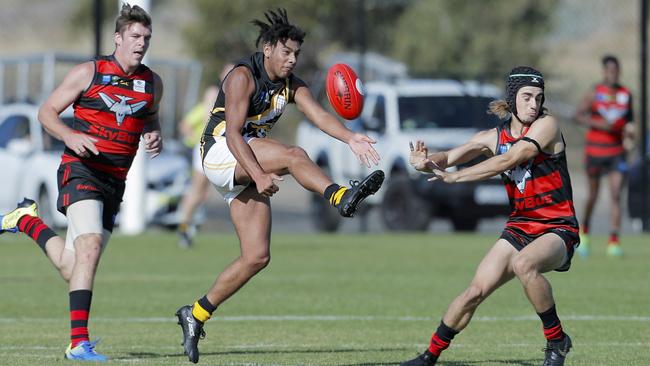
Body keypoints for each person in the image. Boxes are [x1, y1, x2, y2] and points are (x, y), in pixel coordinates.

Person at [174, 8, 384, 363]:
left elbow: (318, 116)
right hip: (222, 152)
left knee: (257, 257)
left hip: (247, 162)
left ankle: (195, 314)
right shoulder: (243, 76)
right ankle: (340, 195)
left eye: (297, 54)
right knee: (292, 153)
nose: (292, 59)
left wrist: (351, 138)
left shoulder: (291, 84)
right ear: (268, 48)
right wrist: (257, 174)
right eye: (286, 52)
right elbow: (236, 135)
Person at [0, 4, 163, 361]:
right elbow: (46, 113)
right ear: (118, 38)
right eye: (135, 36)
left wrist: (154, 135)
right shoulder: (88, 72)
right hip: (81, 170)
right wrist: (69, 137)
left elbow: (150, 119)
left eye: (146, 38)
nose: (141, 43)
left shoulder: (152, 82)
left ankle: (25, 221)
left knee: (74, 266)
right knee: (88, 247)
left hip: (114, 182)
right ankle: (78, 343)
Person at [401, 66, 578, 366]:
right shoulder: (492, 136)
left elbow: (510, 159)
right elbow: (452, 156)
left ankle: (557, 340)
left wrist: (457, 178)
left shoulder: (548, 126)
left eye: (538, 97)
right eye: (526, 97)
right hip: (520, 227)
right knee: (474, 291)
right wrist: (424, 162)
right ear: (512, 99)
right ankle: (428, 357)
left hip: (558, 228)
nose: (534, 104)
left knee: (525, 264)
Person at [573, 55, 634, 257]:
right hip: (595, 151)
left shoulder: (626, 94)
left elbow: (630, 121)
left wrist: (630, 133)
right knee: (593, 195)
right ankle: (586, 232)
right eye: (609, 70)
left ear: (619, 72)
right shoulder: (594, 92)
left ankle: (614, 241)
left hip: (617, 152)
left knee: (616, 194)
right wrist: (600, 125)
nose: (612, 74)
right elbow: (577, 115)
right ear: (604, 71)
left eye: (615, 71)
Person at [177, 63, 234, 248]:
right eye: (228, 71)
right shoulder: (214, 93)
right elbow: (190, 123)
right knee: (198, 190)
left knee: (206, 194)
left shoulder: (241, 93)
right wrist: (193, 138)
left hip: (230, 147)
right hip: (210, 147)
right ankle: (184, 227)